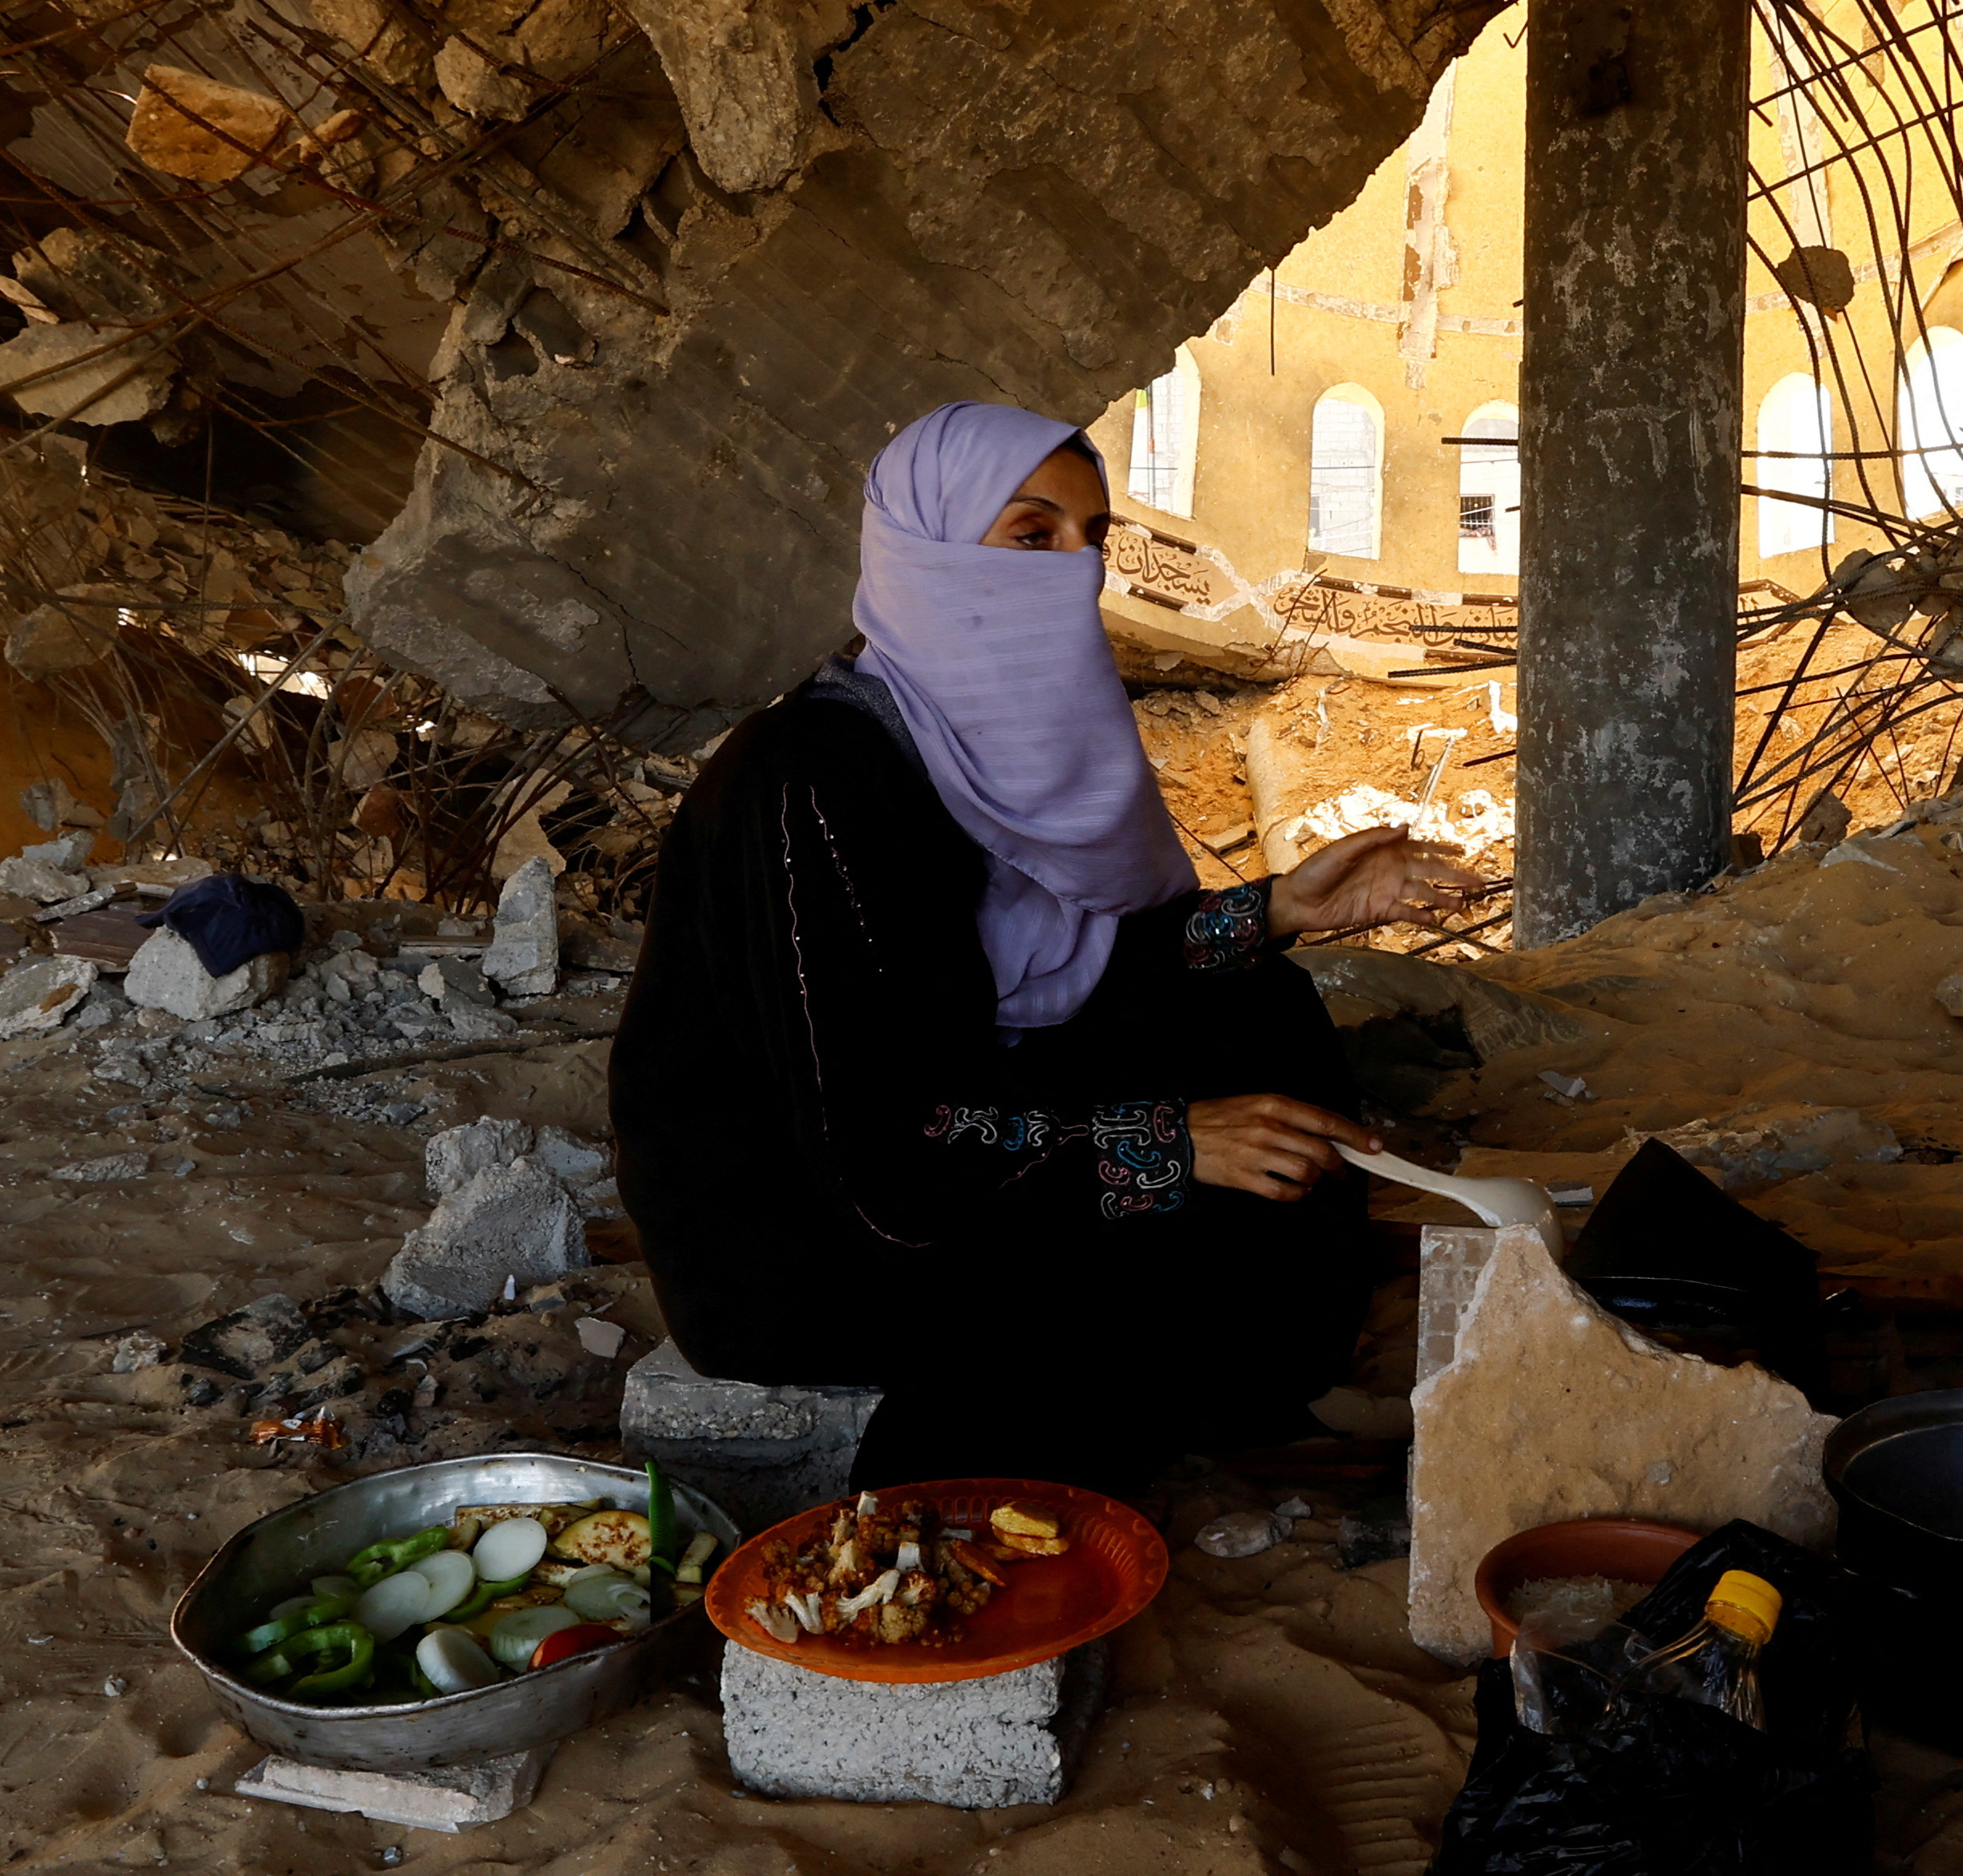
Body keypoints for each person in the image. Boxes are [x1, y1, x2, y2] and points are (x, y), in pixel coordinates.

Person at [610, 400, 1482, 1492]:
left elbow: (1090, 969)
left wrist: (1273, 915)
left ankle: (1275, 1372)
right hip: (814, 1230)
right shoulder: (809, 786)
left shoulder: (956, 738)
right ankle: (1222, 1395)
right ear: (925, 553)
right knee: (1159, 1211)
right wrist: (1165, 1145)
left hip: (951, 1122)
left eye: (1092, 540)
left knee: (1257, 1008)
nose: (1074, 573)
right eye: (1031, 537)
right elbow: (884, 1159)